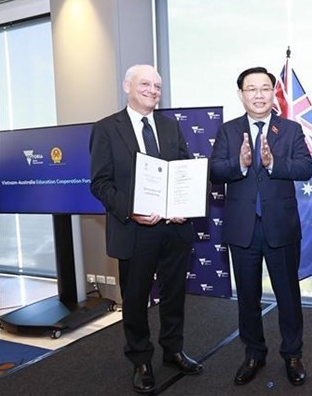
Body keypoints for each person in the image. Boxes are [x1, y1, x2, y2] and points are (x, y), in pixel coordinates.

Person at [90, 64, 203, 394]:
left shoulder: (170, 127)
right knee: (136, 298)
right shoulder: (106, 129)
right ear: (127, 86)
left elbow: (184, 171)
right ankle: (140, 358)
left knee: (174, 296)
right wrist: (132, 209)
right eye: (145, 84)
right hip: (134, 230)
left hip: (175, 229)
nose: (153, 90)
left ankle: (173, 350)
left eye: (157, 85)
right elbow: (100, 184)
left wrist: (184, 205)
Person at [209, 66, 312, 387]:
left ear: (273, 93)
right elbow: (215, 171)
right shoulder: (228, 131)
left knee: (288, 295)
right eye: (251, 89)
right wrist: (239, 164)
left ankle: (292, 354)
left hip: (280, 227)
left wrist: (272, 163)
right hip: (243, 229)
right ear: (241, 94)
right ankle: (254, 353)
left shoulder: (291, 129)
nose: (258, 94)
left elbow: (306, 168)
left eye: (265, 88)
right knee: (248, 297)